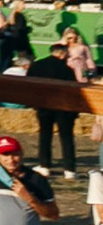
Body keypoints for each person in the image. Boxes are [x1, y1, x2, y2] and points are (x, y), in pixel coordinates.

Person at [27, 40, 81, 170]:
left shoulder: (37, 66)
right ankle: (69, 168)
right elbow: (74, 89)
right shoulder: (67, 69)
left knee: (45, 135)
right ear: (62, 54)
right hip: (64, 107)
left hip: (44, 105)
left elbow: (28, 85)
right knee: (67, 137)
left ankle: (45, 164)